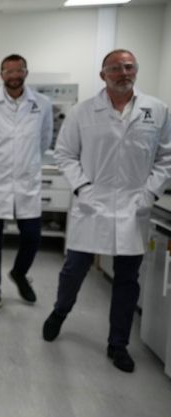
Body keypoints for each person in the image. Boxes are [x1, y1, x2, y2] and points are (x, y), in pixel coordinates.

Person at [43, 49, 171, 373]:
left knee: (128, 281)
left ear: (136, 71)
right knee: (73, 271)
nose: (122, 73)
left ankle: (118, 345)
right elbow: (65, 154)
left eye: (128, 67)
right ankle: (60, 311)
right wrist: (83, 189)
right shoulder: (84, 111)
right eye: (115, 68)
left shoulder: (156, 111)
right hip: (92, 205)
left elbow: (166, 157)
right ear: (103, 75)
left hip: (133, 208)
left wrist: (148, 193)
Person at [0, 54, 53, 313]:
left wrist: (27, 165)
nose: (14, 75)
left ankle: (19, 274)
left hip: (26, 184)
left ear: (26, 72)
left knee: (32, 237)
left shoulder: (42, 104)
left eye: (18, 70)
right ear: (1, 75)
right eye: (8, 71)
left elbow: (44, 141)